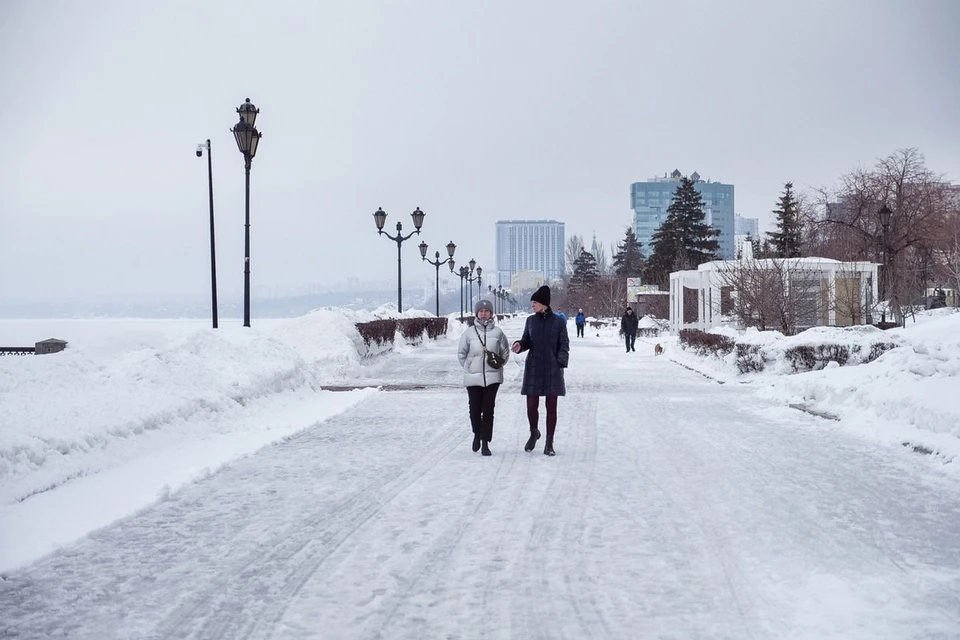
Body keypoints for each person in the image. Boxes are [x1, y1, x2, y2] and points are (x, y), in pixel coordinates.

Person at [511, 285, 569, 456]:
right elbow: (526, 340)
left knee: (551, 406)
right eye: (532, 303)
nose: (532, 305)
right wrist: (520, 345)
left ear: (544, 303)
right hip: (534, 367)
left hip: (552, 369)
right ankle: (534, 432)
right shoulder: (530, 321)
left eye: (535, 302)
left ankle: (549, 442)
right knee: (531, 405)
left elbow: (564, 344)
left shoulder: (558, 322)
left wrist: (560, 363)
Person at [458, 299, 511, 456]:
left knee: (488, 410)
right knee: (474, 409)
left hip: (492, 378)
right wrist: (469, 367)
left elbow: (505, 352)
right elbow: (461, 354)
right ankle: (477, 434)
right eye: (480, 311)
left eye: (486, 311)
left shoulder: (498, 333)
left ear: (491, 313)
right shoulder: (468, 333)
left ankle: (485, 442)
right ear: (476, 313)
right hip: (473, 378)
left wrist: (498, 366)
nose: (483, 313)